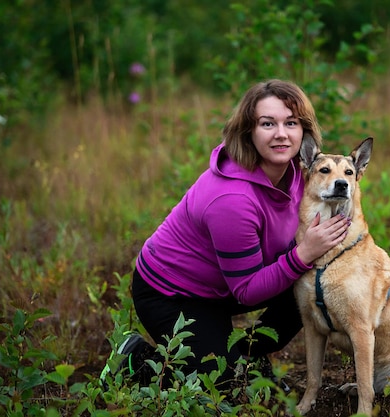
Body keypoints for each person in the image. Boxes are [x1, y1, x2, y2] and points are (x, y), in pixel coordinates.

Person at [102, 79, 351, 389]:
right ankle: (134, 360)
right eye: (267, 123)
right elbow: (246, 290)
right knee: (220, 389)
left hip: (226, 284)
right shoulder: (231, 199)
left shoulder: (303, 173)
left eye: (291, 123)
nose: (281, 134)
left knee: (313, 284)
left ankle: (249, 359)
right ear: (248, 131)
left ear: (305, 131)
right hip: (174, 293)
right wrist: (303, 254)